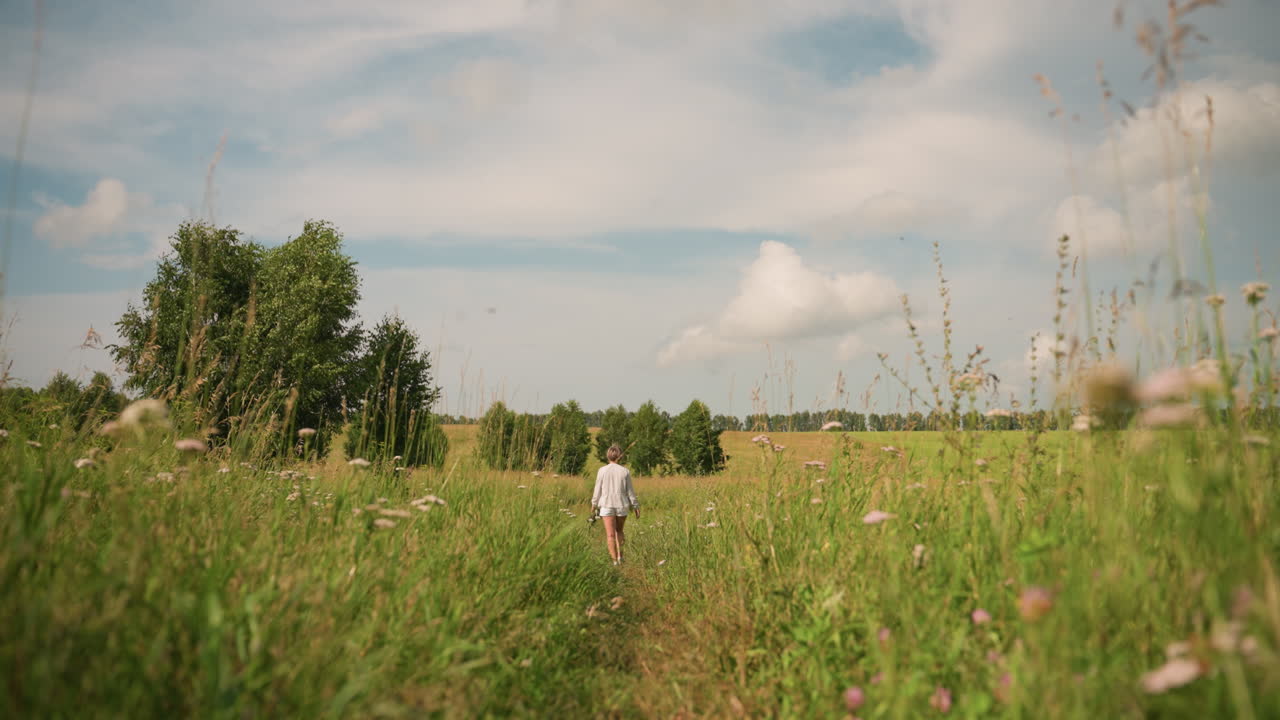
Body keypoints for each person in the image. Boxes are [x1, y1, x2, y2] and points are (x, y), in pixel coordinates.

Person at [591, 444, 639, 566]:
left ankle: (614, 561)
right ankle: (620, 557)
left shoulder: (602, 470)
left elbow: (598, 489)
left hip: (606, 505)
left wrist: (594, 504)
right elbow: (630, 491)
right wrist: (635, 506)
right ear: (620, 456)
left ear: (608, 456)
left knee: (610, 535)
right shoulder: (625, 471)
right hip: (621, 505)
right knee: (619, 531)